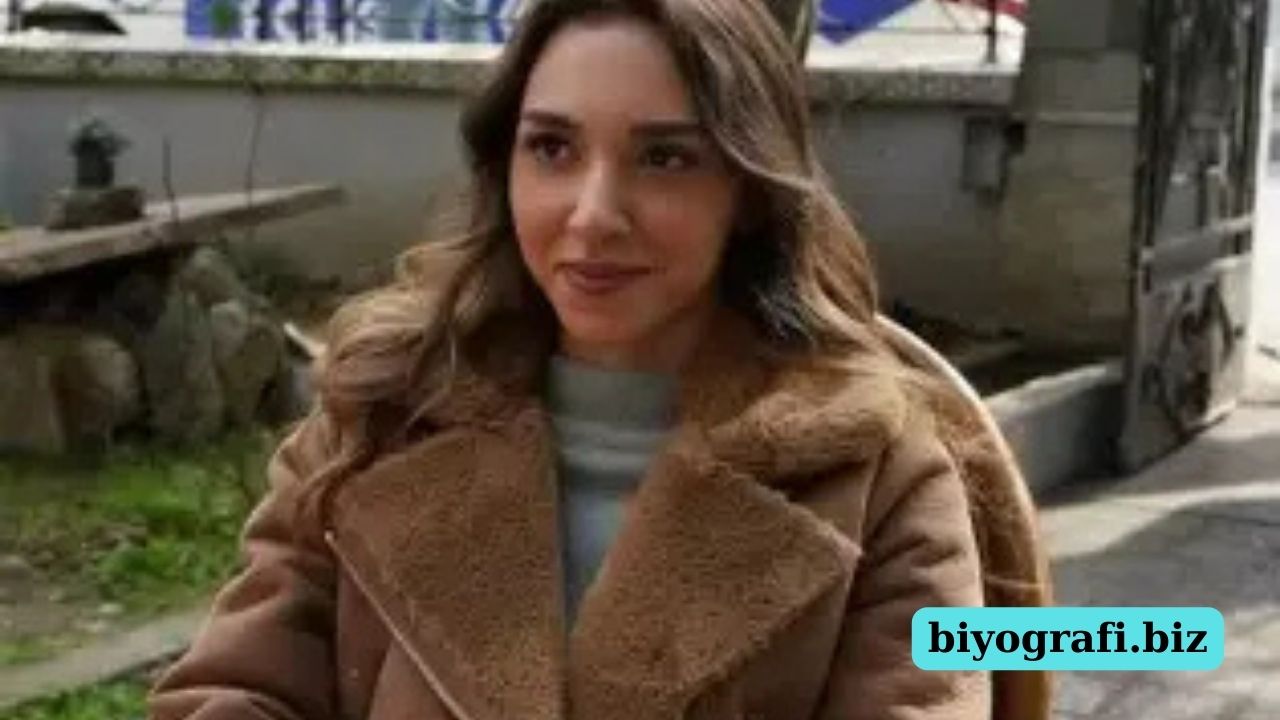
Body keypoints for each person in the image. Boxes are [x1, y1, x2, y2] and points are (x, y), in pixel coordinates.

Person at [148, 0, 1051, 718]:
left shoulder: (877, 474)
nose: (592, 215)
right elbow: (236, 691)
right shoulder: (381, 412)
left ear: (748, 187)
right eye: (552, 148)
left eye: (664, 158)